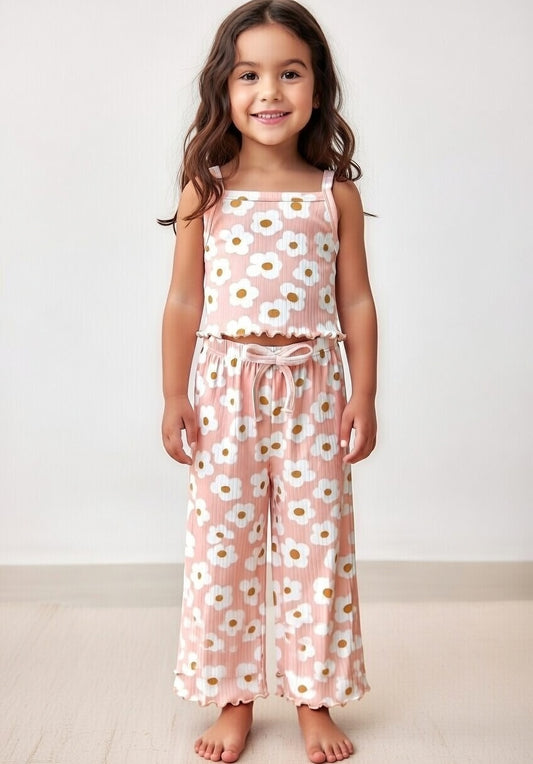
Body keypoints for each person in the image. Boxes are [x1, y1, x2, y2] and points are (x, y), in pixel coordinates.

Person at [160, 1, 377, 761]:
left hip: (314, 389)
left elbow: (356, 300)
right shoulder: (206, 191)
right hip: (226, 390)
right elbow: (183, 301)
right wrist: (174, 396)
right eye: (248, 75)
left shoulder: (332, 194)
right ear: (223, 88)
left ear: (317, 87)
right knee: (224, 547)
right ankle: (233, 698)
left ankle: (314, 696)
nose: (270, 92)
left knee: (318, 548)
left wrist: (363, 395)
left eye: (290, 73)